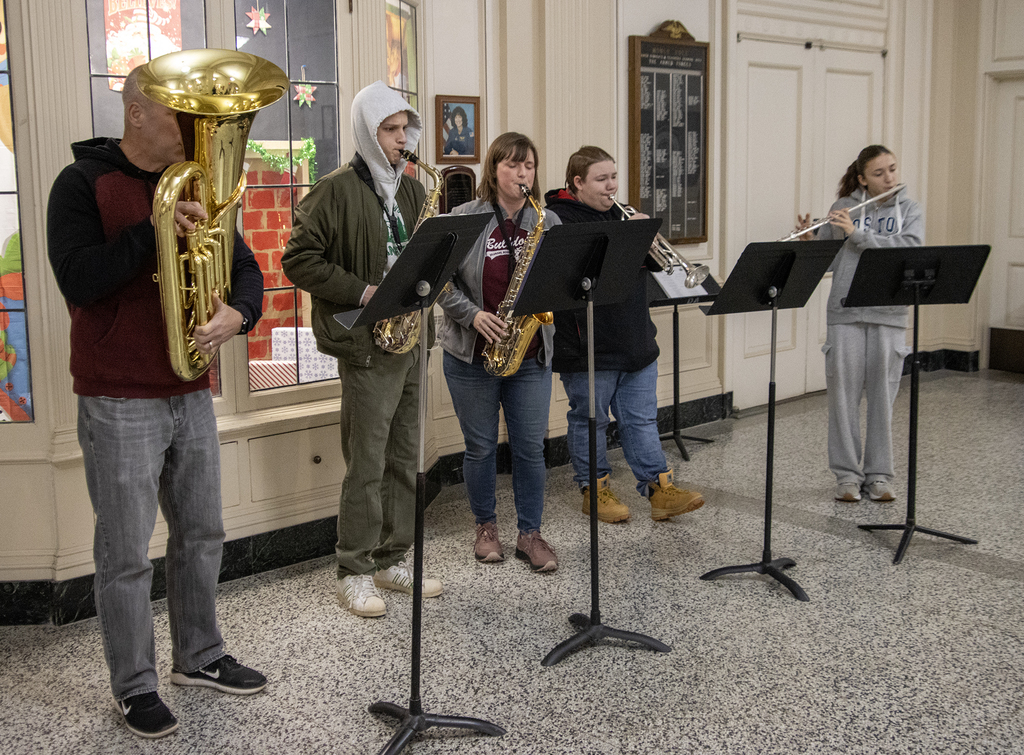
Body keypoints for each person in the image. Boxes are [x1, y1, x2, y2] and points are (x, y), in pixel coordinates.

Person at [46, 66, 267, 740]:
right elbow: (80, 279)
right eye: (181, 115)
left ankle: (199, 654)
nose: (198, 129)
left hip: (190, 389)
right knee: (126, 552)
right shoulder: (81, 184)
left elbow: (246, 266)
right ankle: (134, 683)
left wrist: (241, 314)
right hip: (118, 398)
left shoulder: (199, 179)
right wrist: (156, 228)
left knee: (202, 533)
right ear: (137, 113)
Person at [281, 81, 443, 618]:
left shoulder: (416, 192)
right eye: (391, 130)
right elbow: (298, 261)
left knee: (404, 458)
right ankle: (354, 567)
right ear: (367, 132)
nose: (402, 140)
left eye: (405, 130)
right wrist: (365, 291)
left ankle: (393, 556)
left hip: (411, 339)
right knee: (367, 462)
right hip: (367, 342)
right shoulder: (333, 190)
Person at [544, 146, 705, 523]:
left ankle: (659, 489)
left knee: (641, 418)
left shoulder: (623, 214)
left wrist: (644, 237)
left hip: (635, 337)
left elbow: (656, 268)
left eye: (614, 177)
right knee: (590, 419)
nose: (612, 186)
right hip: (588, 343)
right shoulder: (557, 220)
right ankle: (594, 490)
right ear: (577, 182)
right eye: (602, 179)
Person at [437, 132, 561, 571]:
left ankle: (530, 533)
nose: (522, 173)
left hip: (528, 356)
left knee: (530, 448)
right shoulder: (465, 217)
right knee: (481, 448)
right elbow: (440, 282)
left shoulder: (547, 221)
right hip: (472, 354)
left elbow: (558, 285)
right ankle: (485, 527)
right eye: (512, 165)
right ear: (493, 171)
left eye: (529, 166)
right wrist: (472, 315)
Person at [796, 145, 922, 503]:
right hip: (846, 313)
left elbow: (909, 248)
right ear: (863, 178)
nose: (890, 178)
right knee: (843, 401)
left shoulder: (910, 209)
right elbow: (830, 264)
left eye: (893, 170)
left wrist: (858, 234)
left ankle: (880, 476)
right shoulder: (843, 208)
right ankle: (847, 477)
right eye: (880, 173)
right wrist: (811, 244)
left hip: (889, 315)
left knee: (883, 401)